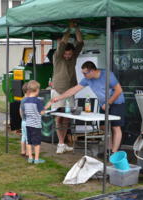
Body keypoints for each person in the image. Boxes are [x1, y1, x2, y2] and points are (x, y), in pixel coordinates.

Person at [51, 61, 125, 154]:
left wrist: (108, 103)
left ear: (92, 71)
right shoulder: (87, 79)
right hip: (103, 104)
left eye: (85, 73)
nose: (83, 75)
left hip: (116, 102)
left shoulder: (107, 75)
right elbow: (73, 90)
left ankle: (114, 153)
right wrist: (58, 97)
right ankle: (108, 150)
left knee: (115, 127)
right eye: (83, 73)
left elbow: (119, 90)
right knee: (103, 127)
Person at [51, 22, 84, 154]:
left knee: (67, 117)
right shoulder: (57, 57)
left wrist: (77, 28)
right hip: (58, 90)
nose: (68, 56)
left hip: (70, 90)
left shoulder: (73, 56)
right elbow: (63, 43)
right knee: (59, 117)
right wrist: (68, 30)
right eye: (66, 54)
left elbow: (80, 43)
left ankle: (63, 143)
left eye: (70, 54)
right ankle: (60, 143)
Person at [21, 80, 51, 164]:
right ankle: (37, 159)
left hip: (28, 124)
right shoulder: (38, 101)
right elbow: (41, 112)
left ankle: (30, 158)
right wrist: (47, 107)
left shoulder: (25, 100)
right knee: (37, 143)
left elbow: (24, 112)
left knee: (29, 142)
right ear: (37, 90)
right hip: (36, 125)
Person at [19, 82, 29, 157]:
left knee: (23, 136)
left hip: (23, 121)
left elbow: (20, 110)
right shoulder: (29, 100)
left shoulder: (22, 99)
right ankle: (28, 153)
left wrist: (22, 118)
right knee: (29, 138)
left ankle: (23, 151)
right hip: (29, 122)